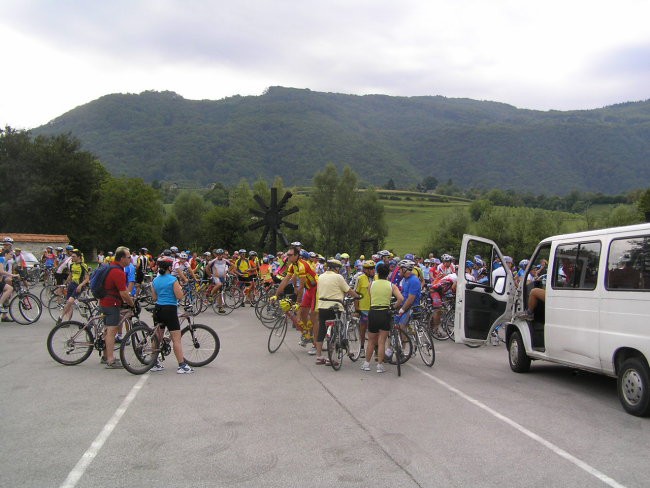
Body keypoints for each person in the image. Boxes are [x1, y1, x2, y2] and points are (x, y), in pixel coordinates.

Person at [150, 257, 194, 373]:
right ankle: (182, 365)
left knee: (157, 337)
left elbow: (154, 298)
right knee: (176, 339)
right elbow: (179, 296)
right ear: (169, 268)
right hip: (169, 309)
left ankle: (154, 362)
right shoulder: (173, 279)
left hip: (158, 309)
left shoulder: (155, 280)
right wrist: (181, 289)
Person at [314, 258, 359, 366]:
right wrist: (357, 296)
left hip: (322, 306)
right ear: (336, 268)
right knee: (335, 332)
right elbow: (348, 290)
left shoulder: (321, 276)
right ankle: (332, 358)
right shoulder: (338, 277)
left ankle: (319, 356)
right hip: (335, 307)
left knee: (321, 331)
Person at [360, 263, 403, 373]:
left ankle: (366, 364)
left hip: (373, 312)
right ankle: (379, 365)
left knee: (371, 340)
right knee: (382, 341)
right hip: (385, 313)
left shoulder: (371, 284)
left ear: (377, 273)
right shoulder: (391, 285)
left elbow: (371, 296)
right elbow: (400, 299)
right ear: (388, 273)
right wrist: (393, 306)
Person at [99, 246, 136, 369]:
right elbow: (124, 293)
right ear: (121, 258)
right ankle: (111, 359)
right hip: (112, 304)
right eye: (128, 256)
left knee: (107, 329)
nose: (130, 259)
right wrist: (132, 304)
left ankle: (105, 356)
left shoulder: (111, 267)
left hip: (104, 301)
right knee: (112, 331)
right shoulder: (118, 272)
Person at [59, 250, 90, 323]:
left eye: (74, 256)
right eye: (71, 256)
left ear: (79, 257)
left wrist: (81, 285)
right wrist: (65, 283)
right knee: (68, 303)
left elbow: (87, 278)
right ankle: (67, 321)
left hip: (79, 285)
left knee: (70, 301)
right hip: (72, 284)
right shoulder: (72, 265)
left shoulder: (83, 265)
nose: (72, 258)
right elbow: (70, 275)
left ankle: (61, 317)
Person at [354, 260, 375, 356]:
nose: (372, 270)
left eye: (373, 268)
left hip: (375, 307)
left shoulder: (377, 277)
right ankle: (362, 347)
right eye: (370, 269)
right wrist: (356, 308)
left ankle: (375, 347)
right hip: (364, 308)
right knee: (363, 328)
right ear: (365, 270)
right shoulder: (360, 278)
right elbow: (356, 293)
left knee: (374, 329)